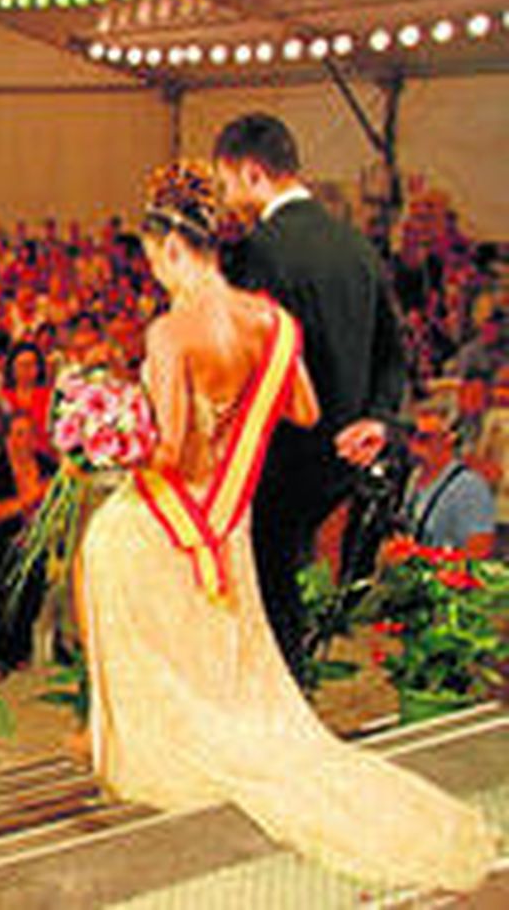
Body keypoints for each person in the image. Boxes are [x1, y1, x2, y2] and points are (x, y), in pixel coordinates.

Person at [80, 161, 494, 892]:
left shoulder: (172, 330)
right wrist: (238, 410)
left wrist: (112, 430)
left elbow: (171, 450)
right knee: (228, 658)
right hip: (231, 522)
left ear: (175, 248)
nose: (153, 272)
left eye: (151, 258)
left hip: (176, 519)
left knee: (106, 558)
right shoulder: (273, 320)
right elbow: (301, 408)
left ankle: (163, 756)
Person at [214, 114, 409, 680]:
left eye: (227, 183)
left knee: (272, 607)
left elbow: (252, 363)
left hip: (281, 456)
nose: (228, 199)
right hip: (347, 455)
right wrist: (377, 418)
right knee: (294, 601)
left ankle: (283, 721)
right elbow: (392, 351)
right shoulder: (358, 245)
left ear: (252, 172)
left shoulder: (263, 250)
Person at [0, 412, 56, 676]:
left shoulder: (47, 466)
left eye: (28, 434)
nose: (22, 441)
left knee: (33, 570)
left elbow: (59, 512)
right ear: (6, 439)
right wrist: (27, 502)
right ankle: (0, 653)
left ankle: (20, 648)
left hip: (38, 541)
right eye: (17, 434)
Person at [401, 401, 496, 559]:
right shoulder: (413, 477)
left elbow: (478, 552)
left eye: (425, 439)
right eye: (411, 436)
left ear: (449, 438)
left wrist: (425, 555)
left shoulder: (470, 488)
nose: (414, 446)